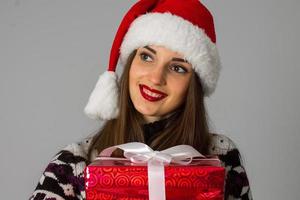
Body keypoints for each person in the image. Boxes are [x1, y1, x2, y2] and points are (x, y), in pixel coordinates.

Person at [30, 0, 253, 199]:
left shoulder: (221, 156)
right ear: (130, 63)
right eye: (146, 57)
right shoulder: (74, 164)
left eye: (177, 67)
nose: (156, 78)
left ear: (193, 85)